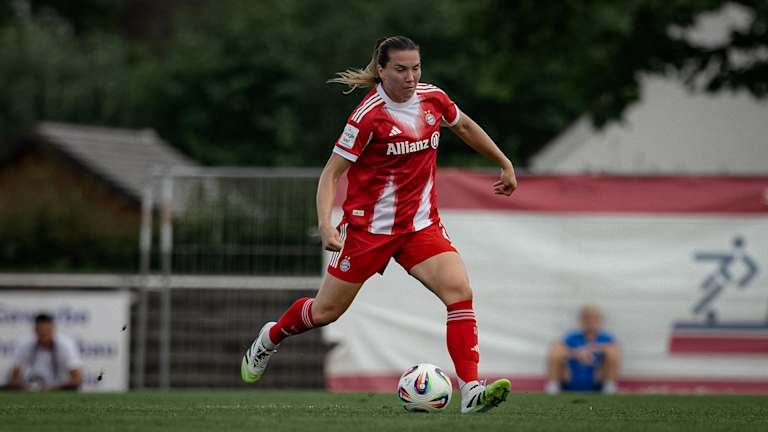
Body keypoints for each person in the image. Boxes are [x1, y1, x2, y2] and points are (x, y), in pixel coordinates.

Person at [241, 35, 518, 413]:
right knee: (325, 313)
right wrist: (325, 224)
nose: (410, 76)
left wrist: (504, 162)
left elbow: (465, 126)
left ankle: (470, 389)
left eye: (416, 68)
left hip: (420, 226)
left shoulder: (433, 98)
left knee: (459, 291)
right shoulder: (368, 116)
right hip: (369, 231)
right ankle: (270, 337)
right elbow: (330, 175)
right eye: (401, 69)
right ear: (382, 70)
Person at [545, 304, 620, 395]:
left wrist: (591, 350)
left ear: (599, 320)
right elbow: (557, 349)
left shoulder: (606, 338)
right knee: (555, 352)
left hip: (596, 377)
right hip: (572, 376)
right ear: (582, 320)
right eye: (587, 318)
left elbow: (614, 350)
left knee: (612, 353)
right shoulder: (573, 336)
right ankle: (553, 386)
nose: (590, 321)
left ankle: (609, 386)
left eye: (594, 318)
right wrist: (577, 354)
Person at [6, 313, 83, 391]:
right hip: (31, 388)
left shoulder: (66, 345)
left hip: (58, 388)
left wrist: (50, 388)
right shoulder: (24, 345)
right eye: (41, 331)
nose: (44, 334)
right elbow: (14, 378)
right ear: (35, 330)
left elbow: (77, 380)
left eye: (47, 330)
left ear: (53, 329)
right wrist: (28, 388)